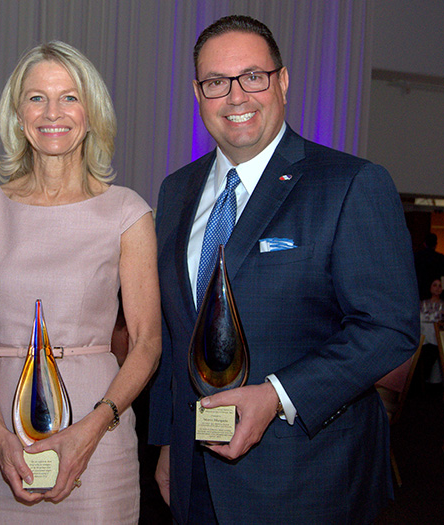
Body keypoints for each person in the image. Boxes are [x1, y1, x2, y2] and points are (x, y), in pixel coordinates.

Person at [148, 15, 419, 524]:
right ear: (198, 93)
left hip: (306, 477)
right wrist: (168, 443)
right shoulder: (175, 190)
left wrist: (276, 396)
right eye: (216, 83)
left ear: (283, 81)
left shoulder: (351, 183)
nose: (235, 96)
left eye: (253, 76)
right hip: (193, 473)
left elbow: (388, 328)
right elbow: (173, 328)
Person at [0, 41, 160, 524]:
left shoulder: (128, 210)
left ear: (91, 111)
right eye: (36, 97)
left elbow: (148, 342)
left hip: (100, 433)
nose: (53, 112)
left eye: (69, 96)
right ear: (17, 112)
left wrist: (93, 428)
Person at [414, 233, 444, 299]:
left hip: (420, 291)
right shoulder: (441, 258)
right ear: (436, 244)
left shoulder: (417, 257)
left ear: (424, 243)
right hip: (436, 293)